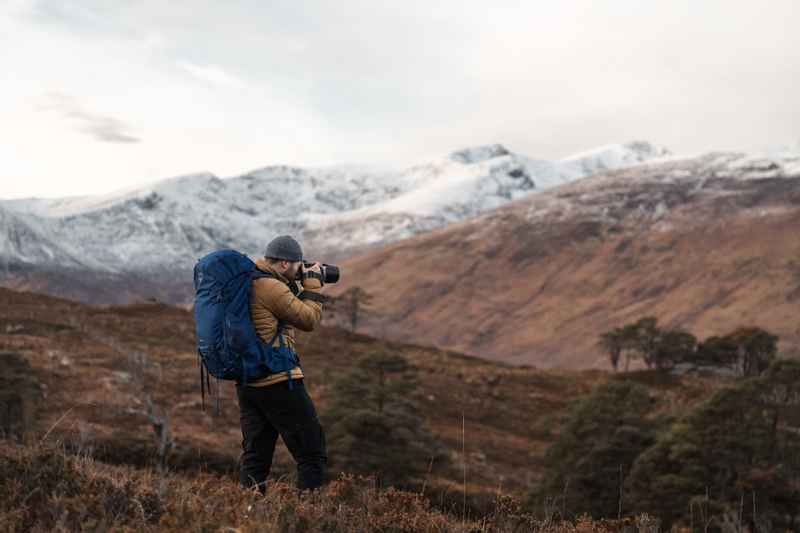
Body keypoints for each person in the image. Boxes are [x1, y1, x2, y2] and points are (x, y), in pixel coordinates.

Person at [237, 235, 328, 493]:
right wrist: (313, 283)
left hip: (248, 382)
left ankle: (248, 515)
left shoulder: (250, 280)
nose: (301, 269)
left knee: (256, 457)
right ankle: (307, 519)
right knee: (312, 454)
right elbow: (308, 319)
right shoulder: (271, 287)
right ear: (286, 264)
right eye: (300, 265)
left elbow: (283, 311)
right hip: (278, 380)